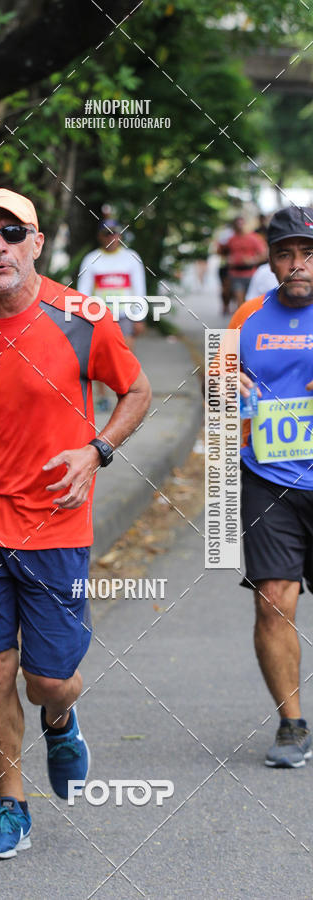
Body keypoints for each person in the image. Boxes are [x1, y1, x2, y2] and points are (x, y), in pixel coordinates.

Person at [0, 188, 151, 857]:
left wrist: (97, 449)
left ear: (37, 243)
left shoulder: (83, 320)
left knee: (48, 676)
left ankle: (61, 716)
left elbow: (137, 391)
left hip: (55, 522)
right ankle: (11, 808)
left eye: (12, 233)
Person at [228, 206, 313, 767]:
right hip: (269, 477)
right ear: (271, 259)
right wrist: (225, 378)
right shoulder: (248, 317)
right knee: (272, 601)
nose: (298, 264)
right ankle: (291, 724)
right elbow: (216, 395)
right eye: (286, 253)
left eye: (309, 254)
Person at [77, 219, 147, 411]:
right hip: (100, 316)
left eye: (115, 233)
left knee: (125, 357)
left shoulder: (131, 257)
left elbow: (139, 289)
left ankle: (125, 394)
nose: (112, 237)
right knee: (100, 358)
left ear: (121, 235)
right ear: (100, 236)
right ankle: (102, 396)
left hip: (125, 315)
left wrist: (139, 317)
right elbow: (83, 292)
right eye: (107, 233)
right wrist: (84, 318)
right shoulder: (91, 259)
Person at [218, 215, 267, 311]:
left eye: (241, 223)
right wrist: (228, 258)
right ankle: (241, 322)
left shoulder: (254, 238)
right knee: (240, 303)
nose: (239, 226)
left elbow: (264, 254)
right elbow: (221, 252)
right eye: (237, 224)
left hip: (251, 274)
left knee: (250, 302)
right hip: (236, 274)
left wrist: (253, 260)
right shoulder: (230, 239)